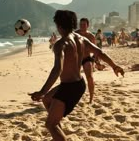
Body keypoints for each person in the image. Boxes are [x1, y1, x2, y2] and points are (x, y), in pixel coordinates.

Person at [29, 10, 124, 141]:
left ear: (58, 25)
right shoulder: (81, 39)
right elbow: (99, 52)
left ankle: (57, 132)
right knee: (47, 100)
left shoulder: (61, 44)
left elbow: (57, 69)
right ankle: (58, 133)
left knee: (50, 124)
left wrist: (41, 91)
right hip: (79, 84)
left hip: (69, 88)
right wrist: (114, 66)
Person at [75, 18, 96, 103]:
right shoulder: (75, 34)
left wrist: (95, 61)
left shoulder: (91, 36)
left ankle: (91, 98)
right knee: (74, 79)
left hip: (87, 58)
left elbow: (95, 50)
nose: (82, 26)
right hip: (76, 59)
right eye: (81, 24)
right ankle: (74, 97)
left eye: (84, 24)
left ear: (88, 25)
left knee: (90, 77)